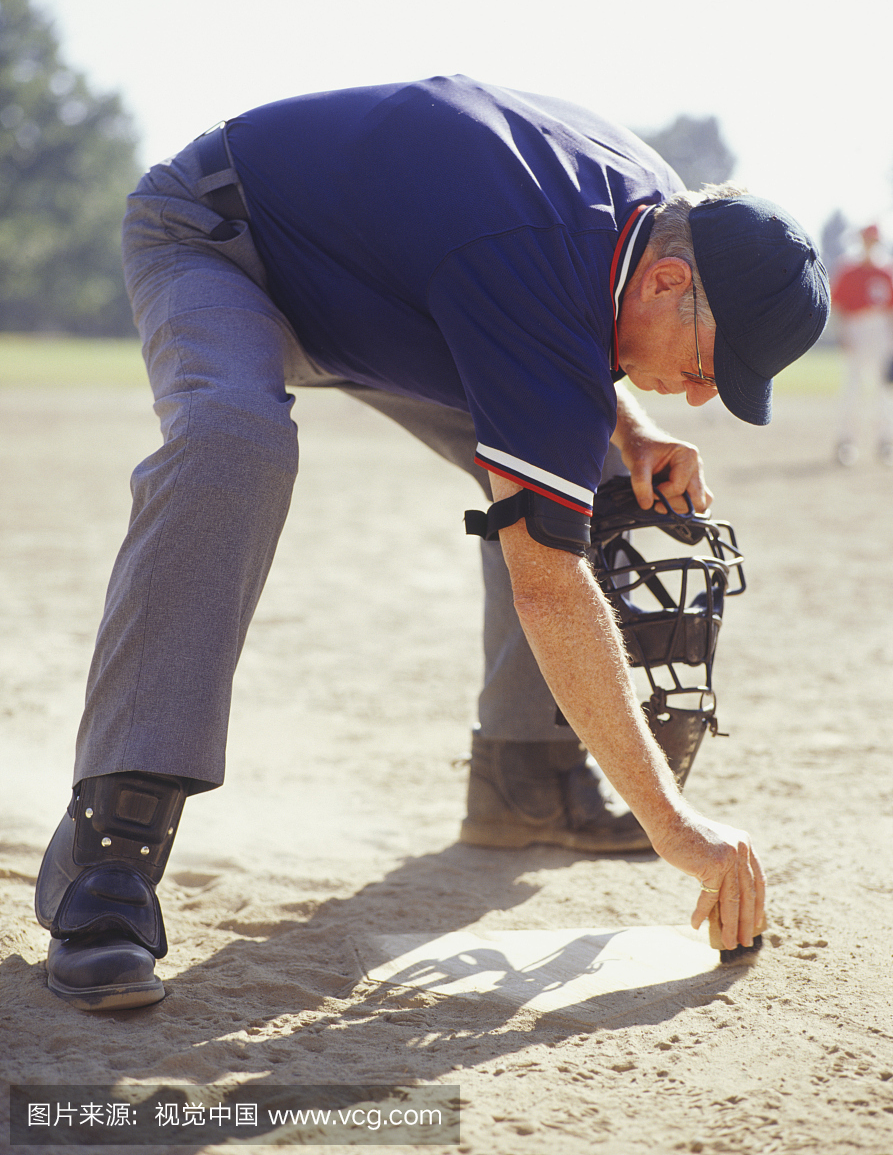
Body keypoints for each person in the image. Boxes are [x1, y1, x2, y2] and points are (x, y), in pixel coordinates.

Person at [34, 75, 830, 1011]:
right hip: (224, 241)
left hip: (395, 292)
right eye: (703, 368)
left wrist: (633, 429)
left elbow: (550, 320)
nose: (697, 397)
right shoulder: (532, 250)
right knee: (234, 439)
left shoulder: (652, 223)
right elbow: (547, 581)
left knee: (605, 476)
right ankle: (109, 853)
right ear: (666, 282)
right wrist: (674, 822)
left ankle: (527, 780)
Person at [830, 223, 893, 465]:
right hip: (856, 328)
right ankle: (846, 442)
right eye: (867, 240)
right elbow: (839, 307)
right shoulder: (849, 270)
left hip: (880, 330)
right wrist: (843, 334)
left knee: (882, 391)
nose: (869, 245)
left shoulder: (886, 270)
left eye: (873, 241)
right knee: (852, 388)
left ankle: (885, 442)